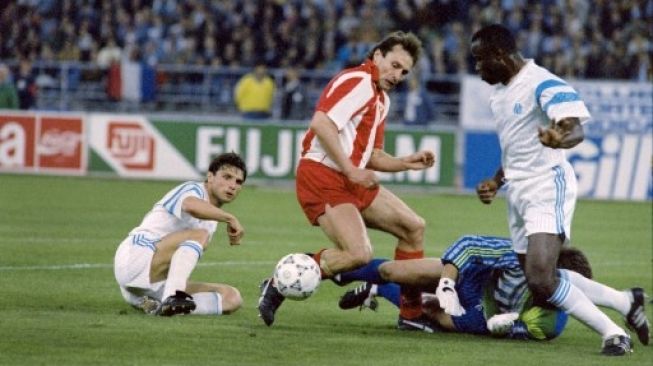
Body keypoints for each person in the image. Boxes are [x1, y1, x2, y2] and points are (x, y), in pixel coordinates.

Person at [470, 24, 647, 355]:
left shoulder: (542, 83)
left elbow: (575, 130)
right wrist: (497, 181)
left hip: (547, 185)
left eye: (479, 60)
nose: (477, 68)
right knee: (542, 283)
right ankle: (626, 301)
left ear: (498, 55)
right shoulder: (500, 95)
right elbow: (515, 151)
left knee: (540, 278)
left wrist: (559, 138)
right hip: (517, 192)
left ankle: (613, 334)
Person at [258, 31, 435, 327]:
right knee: (358, 254)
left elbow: (372, 155)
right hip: (322, 174)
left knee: (413, 227)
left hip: (348, 178)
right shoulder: (358, 81)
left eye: (404, 71)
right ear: (377, 55)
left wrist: (405, 162)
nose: (398, 75)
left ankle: (411, 314)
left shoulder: (381, 99)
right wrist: (351, 170)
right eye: (394, 65)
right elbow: (322, 123)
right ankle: (277, 283)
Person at [336, 235, 649, 344]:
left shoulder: (551, 324)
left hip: (479, 310)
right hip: (473, 275)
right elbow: (469, 244)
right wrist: (447, 281)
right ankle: (342, 270)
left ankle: (376, 292)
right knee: (393, 270)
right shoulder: (524, 259)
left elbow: (511, 331)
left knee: (436, 315)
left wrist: (504, 327)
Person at [113, 152, 247, 316]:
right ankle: (172, 297)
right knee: (199, 235)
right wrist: (230, 218)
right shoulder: (192, 189)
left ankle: (154, 304)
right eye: (227, 177)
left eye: (238, 181)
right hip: (135, 257)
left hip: (153, 280)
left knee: (231, 298)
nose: (232, 185)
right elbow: (190, 205)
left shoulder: (212, 220)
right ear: (210, 176)